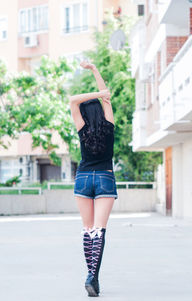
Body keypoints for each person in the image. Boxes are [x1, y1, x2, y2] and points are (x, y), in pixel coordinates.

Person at [69, 61, 118, 297]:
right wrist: (96, 72)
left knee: (88, 231)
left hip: (84, 178)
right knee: (99, 231)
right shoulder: (109, 124)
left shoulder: (81, 126)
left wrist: (96, 92)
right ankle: (92, 277)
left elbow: (72, 100)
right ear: (100, 109)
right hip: (105, 179)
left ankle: (92, 278)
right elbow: (106, 98)